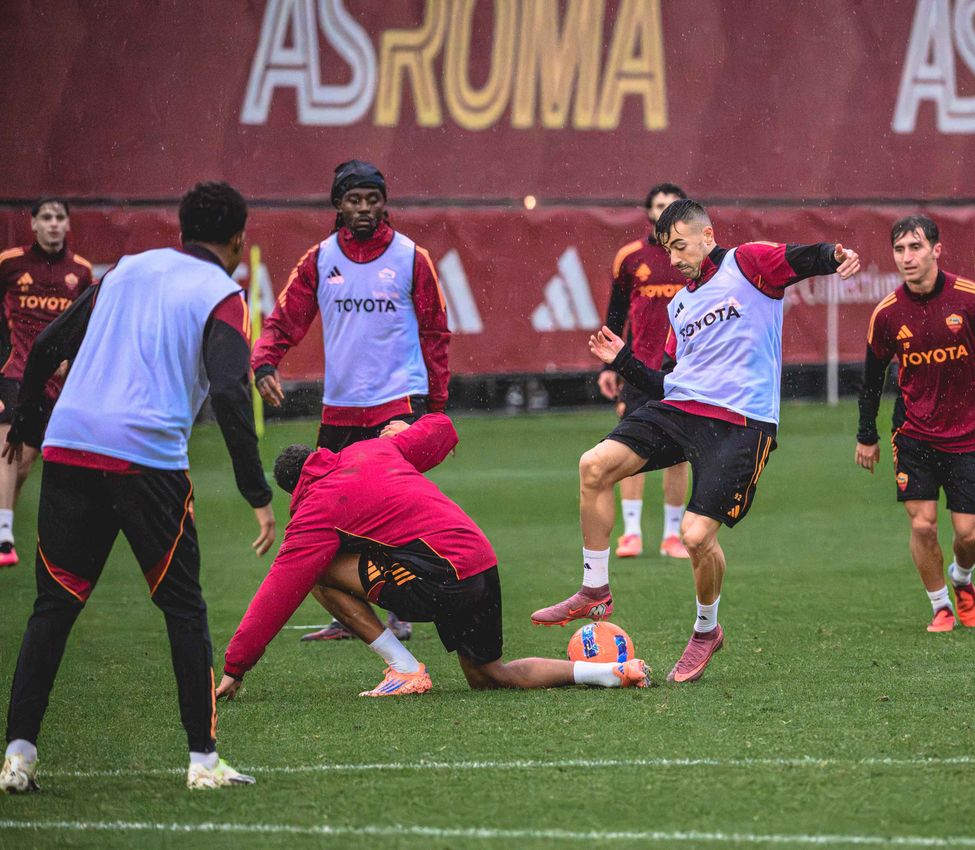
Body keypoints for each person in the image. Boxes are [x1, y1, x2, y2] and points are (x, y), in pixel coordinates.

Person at [0, 182, 275, 794]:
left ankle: (17, 758)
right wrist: (257, 493)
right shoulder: (224, 294)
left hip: (70, 448)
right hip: (147, 461)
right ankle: (203, 763)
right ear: (236, 240)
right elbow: (231, 391)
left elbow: (46, 345)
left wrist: (27, 423)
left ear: (181, 229)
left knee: (53, 606)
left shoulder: (124, 270)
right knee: (184, 609)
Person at [531, 199, 860, 683]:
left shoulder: (745, 263)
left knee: (695, 537)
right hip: (682, 408)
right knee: (593, 465)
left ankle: (706, 629)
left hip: (742, 423)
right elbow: (668, 383)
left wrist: (835, 255)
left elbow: (800, 257)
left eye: (682, 245)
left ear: (707, 236)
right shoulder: (679, 305)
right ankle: (594, 587)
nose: (676, 257)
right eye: (669, 250)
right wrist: (622, 361)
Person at [216, 414, 651, 703]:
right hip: (480, 560)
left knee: (311, 574)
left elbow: (279, 588)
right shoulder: (372, 450)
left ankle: (403, 668)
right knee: (487, 676)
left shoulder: (314, 509)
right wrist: (410, 427)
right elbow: (442, 429)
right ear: (318, 456)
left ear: (295, 489)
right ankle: (613, 672)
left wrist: (236, 665)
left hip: (441, 578)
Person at [252, 159, 450, 641]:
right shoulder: (319, 259)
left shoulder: (410, 257)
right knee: (329, 513)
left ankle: (403, 610)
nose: (364, 209)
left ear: (384, 203)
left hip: (398, 405)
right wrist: (264, 362)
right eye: (354, 200)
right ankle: (350, 614)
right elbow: (283, 320)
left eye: (372, 199)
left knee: (396, 510)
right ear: (338, 205)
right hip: (339, 409)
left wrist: (436, 409)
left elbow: (435, 334)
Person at [855, 215, 975, 632]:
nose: (907, 257)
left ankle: (962, 578)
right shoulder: (886, 314)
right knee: (923, 523)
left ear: (936, 250)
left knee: (969, 535)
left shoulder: (971, 299)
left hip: (968, 435)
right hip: (914, 434)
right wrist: (867, 434)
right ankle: (940, 606)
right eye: (899, 250)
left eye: (915, 247)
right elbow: (871, 379)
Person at [598, 183, 691, 560]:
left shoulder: (695, 259)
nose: (664, 210)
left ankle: (672, 535)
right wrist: (609, 366)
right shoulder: (631, 257)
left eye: (672, 205)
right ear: (649, 212)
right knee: (631, 449)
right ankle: (632, 533)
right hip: (638, 369)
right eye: (658, 205)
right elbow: (616, 313)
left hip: (684, 370)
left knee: (681, 452)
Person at [0, 198, 93, 567]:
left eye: (59, 218)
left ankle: (4, 521)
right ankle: (5, 536)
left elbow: (85, 325)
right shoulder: (9, 263)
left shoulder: (81, 272)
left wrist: (72, 360)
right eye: (46, 217)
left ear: (67, 225)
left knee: (22, 463)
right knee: (7, 443)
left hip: (53, 384)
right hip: (13, 371)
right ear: (34, 224)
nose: (53, 224)